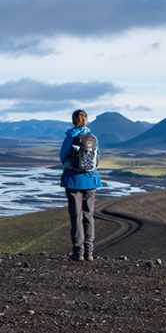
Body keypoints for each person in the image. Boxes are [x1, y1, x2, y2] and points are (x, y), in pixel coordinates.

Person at [59, 109, 102, 261]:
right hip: (91, 181)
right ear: (86, 120)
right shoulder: (93, 138)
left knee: (76, 216)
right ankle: (89, 252)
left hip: (73, 182)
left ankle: (78, 252)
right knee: (89, 216)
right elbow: (97, 159)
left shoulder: (70, 137)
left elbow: (63, 157)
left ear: (73, 121)